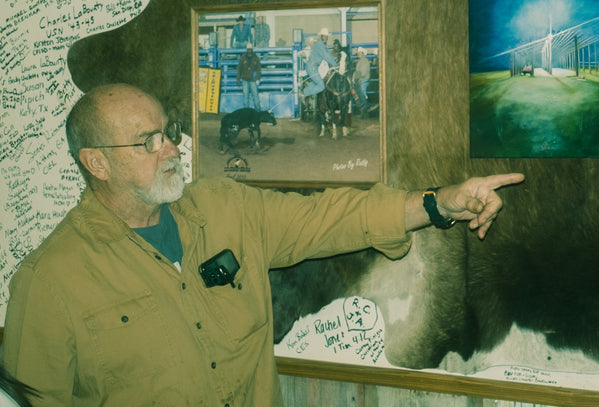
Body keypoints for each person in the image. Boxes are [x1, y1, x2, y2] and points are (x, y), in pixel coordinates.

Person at [2, 84, 523, 407]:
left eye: (169, 132)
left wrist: (439, 204)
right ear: (96, 163)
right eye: (147, 142)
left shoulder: (226, 208)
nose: (171, 149)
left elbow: (331, 216)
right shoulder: (50, 280)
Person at [301, 27, 336, 99]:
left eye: (327, 37)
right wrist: (336, 65)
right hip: (312, 67)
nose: (326, 38)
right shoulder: (320, 45)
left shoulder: (323, 45)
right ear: (321, 36)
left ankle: (303, 92)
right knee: (321, 86)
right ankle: (303, 94)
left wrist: (335, 62)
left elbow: (329, 55)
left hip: (314, 67)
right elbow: (326, 56)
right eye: (324, 36)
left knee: (315, 83)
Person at [237, 42, 262, 110]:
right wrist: (238, 79)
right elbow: (239, 68)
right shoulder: (242, 57)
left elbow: (258, 69)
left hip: (253, 80)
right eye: (248, 49)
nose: (249, 51)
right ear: (246, 49)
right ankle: (246, 113)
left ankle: (258, 112)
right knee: (245, 97)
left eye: (250, 49)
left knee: (255, 97)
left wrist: (257, 78)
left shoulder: (256, 57)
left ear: (252, 49)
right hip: (245, 80)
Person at [354, 47, 372, 116]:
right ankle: (364, 111)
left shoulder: (364, 61)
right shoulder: (362, 60)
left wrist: (359, 78)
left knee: (362, 95)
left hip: (363, 80)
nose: (358, 54)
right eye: (358, 53)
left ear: (363, 53)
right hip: (361, 79)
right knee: (361, 95)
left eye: (359, 53)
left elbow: (363, 73)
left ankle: (365, 111)